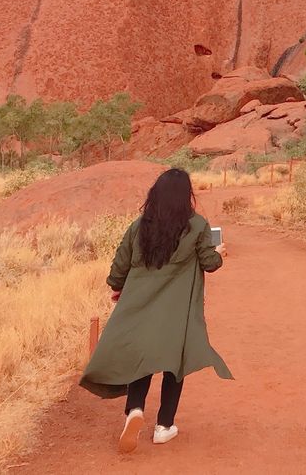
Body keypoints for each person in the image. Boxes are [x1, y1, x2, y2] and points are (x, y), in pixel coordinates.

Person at [80, 168, 232, 453]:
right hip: (176, 311)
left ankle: (134, 410)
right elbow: (209, 263)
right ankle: (164, 426)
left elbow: (118, 268)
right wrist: (219, 253)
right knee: (175, 364)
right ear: (186, 196)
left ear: (156, 195)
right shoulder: (197, 226)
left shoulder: (139, 226)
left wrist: (118, 287)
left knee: (142, 358)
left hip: (140, 306)